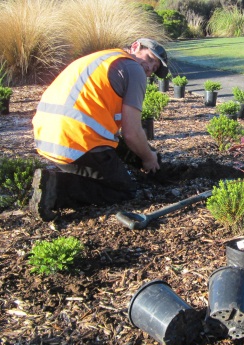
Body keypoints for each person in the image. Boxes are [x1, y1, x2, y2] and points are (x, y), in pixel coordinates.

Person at [29, 38, 169, 221]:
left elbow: (117, 132)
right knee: (124, 189)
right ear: (135, 47)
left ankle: (135, 162)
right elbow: (132, 134)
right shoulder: (135, 70)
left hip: (47, 137)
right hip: (75, 143)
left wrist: (142, 155)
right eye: (150, 58)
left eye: (155, 67)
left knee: (124, 149)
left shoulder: (104, 58)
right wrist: (149, 158)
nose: (150, 68)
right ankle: (55, 189)